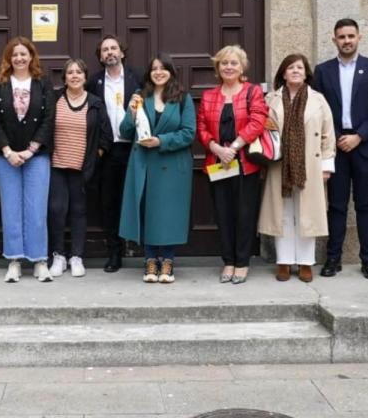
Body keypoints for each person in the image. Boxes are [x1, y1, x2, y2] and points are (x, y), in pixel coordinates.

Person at [313, 18, 368, 279]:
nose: (347, 41)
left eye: (351, 36)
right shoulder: (322, 71)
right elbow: (318, 110)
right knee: (336, 205)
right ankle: (332, 258)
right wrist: (335, 138)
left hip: (365, 146)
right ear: (334, 40)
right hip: (335, 146)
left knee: (366, 204)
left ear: (359, 37)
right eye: (342, 37)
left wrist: (359, 136)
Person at [119, 54, 196, 284]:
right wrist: (131, 113)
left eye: (163, 68)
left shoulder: (183, 98)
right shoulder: (141, 97)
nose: (158, 72)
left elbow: (188, 133)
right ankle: (150, 260)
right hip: (145, 164)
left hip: (173, 165)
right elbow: (124, 132)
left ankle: (168, 261)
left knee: (171, 214)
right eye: (154, 68)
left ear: (171, 72)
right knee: (148, 211)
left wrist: (161, 141)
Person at [258, 54, 335, 283]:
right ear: (283, 73)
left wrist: (326, 166)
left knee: (306, 213)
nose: (295, 71)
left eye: (299, 67)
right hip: (279, 164)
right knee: (283, 213)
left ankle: (305, 263)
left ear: (306, 72)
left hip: (308, 165)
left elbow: (328, 135)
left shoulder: (318, 99)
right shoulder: (271, 99)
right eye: (290, 67)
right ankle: (283, 261)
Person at [197, 45, 268, 284]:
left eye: (233, 63)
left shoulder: (253, 92)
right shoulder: (208, 96)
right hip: (218, 163)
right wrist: (217, 148)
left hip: (245, 163)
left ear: (242, 67)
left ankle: (243, 262)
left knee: (245, 214)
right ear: (218, 67)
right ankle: (228, 261)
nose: (229, 67)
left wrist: (234, 147)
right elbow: (202, 128)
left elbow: (258, 121)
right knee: (223, 213)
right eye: (224, 63)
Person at [0, 37, 56, 283]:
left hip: (36, 156)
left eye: (23, 54)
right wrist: (8, 151)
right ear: (9, 58)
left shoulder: (43, 83)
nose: (19, 58)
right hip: (5, 156)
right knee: (11, 208)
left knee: (36, 208)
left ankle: (39, 260)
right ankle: (14, 260)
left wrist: (31, 150)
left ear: (31, 56)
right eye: (14, 54)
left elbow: (49, 118)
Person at [48, 59, 112, 278]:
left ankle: (76, 256)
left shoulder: (95, 103)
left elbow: (106, 136)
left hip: (82, 169)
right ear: (64, 77)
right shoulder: (54, 99)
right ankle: (58, 255)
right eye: (70, 72)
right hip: (56, 165)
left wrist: (95, 158)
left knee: (78, 211)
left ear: (85, 77)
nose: (74, 76)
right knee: (57, 210)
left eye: (78, 72)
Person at [87, 35, 144, 273]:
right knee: (109, 202)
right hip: (108, 150)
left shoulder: (137, 78)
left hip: (134, 148)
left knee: (137, 198)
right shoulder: (94, 82)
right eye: (105, 50)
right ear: (100, 56)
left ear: (122, 52)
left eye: (114, 48)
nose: (109, 52)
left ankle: (146, 251)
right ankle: (114, 252)